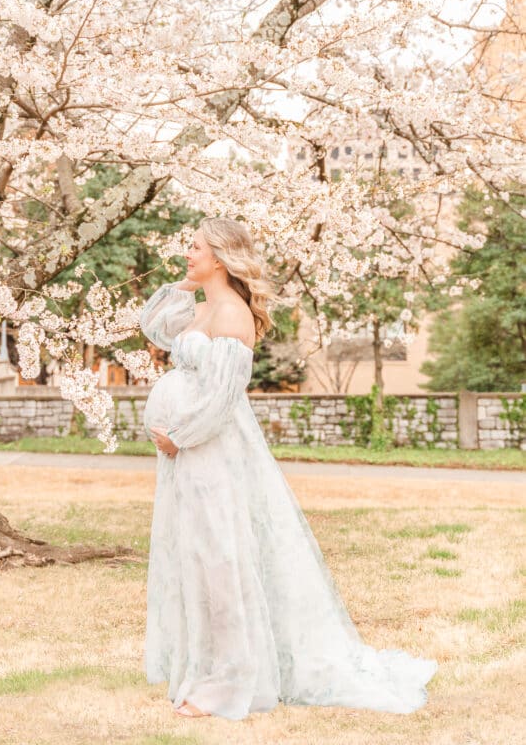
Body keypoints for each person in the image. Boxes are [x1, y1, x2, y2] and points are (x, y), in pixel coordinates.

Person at [138, 216, 438, 721]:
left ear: (220, 256)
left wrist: (180, 435)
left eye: (195, 248)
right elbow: (156, 327)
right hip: (187, 460)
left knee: (221, 562)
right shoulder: (206, 307)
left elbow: (222, 397)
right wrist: (189, 282)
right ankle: (204, 667)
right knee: (195, 560)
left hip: (209, 453)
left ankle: (228, 682)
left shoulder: (231, 315)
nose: (186, 254)